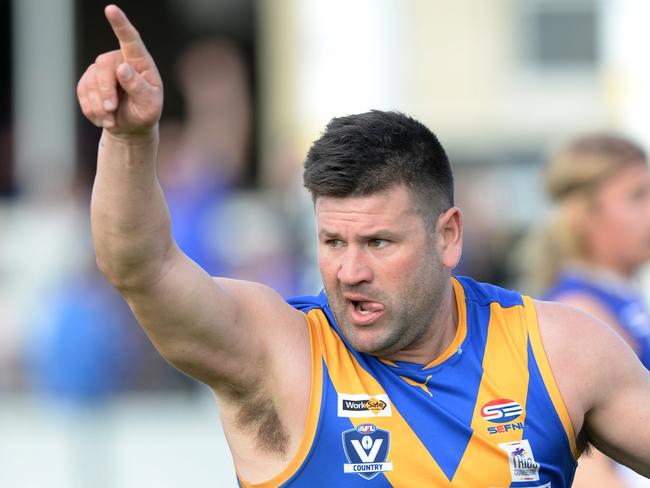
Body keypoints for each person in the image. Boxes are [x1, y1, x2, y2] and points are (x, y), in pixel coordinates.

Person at [76, 5, 650, 486]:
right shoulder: (278, 354)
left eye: (378, 242)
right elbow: (142, 269)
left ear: (447, 235)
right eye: (332, 241)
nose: (350, 270)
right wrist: (130, 139)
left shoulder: (560, 352)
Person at [522, 134, 650, 487]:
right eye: (636, 196)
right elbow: (589, 470)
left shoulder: (621, 295)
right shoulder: (580, 309)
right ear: (583, 211)